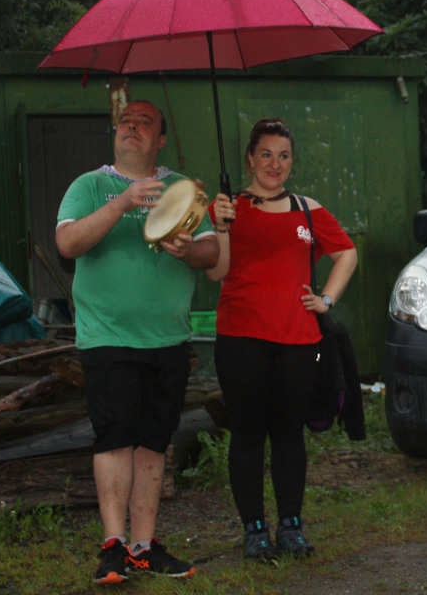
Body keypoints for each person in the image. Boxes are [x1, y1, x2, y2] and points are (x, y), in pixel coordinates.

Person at [56, 100, 218, 585]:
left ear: (160, 139)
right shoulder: (89, 186)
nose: (132, 127)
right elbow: (67, 243)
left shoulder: (184, 190)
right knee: (114, 437)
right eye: (126, 121)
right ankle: (114, 546)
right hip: (107, 335)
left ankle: (144, 547)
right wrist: (122, 203)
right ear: (115, 132)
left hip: (167, 336)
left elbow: (211, 252)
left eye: (145, 122)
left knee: (154, 441)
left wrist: (188, 249)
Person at [206, 118, 358, 560]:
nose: (275, 164)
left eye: (284, 155)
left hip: (298, 339)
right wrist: (221, 227)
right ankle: (254, 529)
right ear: (250, 159)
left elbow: (347, 253)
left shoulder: (308, 211)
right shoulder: (227, 208)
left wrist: (326, 299)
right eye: (266, 154)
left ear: (292, 161)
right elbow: (216, 272)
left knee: (289, 433)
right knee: (248, 433)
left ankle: (291, 525)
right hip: (240, 337)